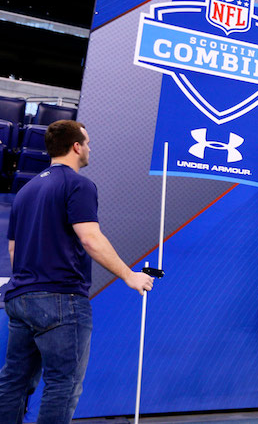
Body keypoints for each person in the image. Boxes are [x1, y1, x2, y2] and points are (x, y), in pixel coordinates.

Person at [0, 120, 155, 423]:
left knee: (14, 382)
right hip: (62, 298)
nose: (89, 147)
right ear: (76, 146)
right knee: (63, 384)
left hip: (20, 298)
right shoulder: (78, 184)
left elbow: (13, 250)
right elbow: (90, 238)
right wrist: (129, 275)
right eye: (87, 142)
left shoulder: (26, 191)